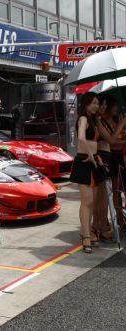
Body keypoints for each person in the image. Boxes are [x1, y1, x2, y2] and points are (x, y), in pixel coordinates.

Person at [69, 92, 104, 253]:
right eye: (93, 103)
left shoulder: (93, 120)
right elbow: (81, 138)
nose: (96, 106)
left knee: (93, 201)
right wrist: (91, 157)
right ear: (86, 104)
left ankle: (87, 232)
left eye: (97, 103)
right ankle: (86, 237)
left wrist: (96, 158)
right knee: (87, 201)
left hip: (93, 160)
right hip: (85, 161)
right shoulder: (83, 118)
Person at [96, 96, 126, 241]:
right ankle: (110, 221)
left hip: (119, 155)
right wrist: (121, 125)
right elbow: (112, 141)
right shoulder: (102, 121)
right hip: (110, 157)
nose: (116, 109)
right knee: (111, 191)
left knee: (119, 190)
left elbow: (118, 140)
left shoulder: (114, 121)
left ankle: (119, 219)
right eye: (112, 105)